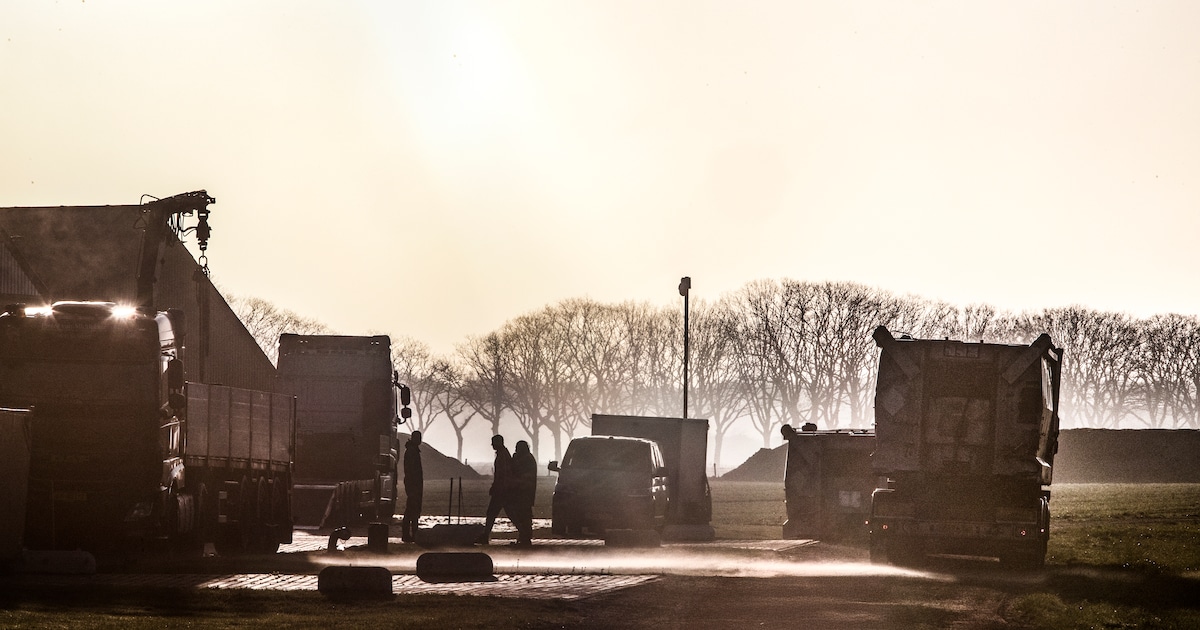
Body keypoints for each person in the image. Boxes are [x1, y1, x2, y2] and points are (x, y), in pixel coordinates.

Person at [480, 434, 513, 544]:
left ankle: (485, 536)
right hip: (504, 489)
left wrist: (495, 486)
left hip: (501, 490)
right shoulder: (504, 454)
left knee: (492, 512)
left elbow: (501, 474)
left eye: (493, 442)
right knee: (509, 513)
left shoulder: (502, 456)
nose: (492, 445)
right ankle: (524, 534)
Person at [510, 440, 538, 547]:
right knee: (525, 515)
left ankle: (525, 537)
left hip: (523, 491)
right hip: (527, 492)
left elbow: (520, 473)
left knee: (523, 515)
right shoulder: (529, 458)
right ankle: (524, 537)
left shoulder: (526, 460)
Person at [400, 430, 423, 543]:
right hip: (413, 484)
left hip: (412, 484)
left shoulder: (411, 451)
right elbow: (412, 471)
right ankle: (411, 533)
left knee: (412, 509)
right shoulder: (412, 452)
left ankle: (411, 533)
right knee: (412, 510)